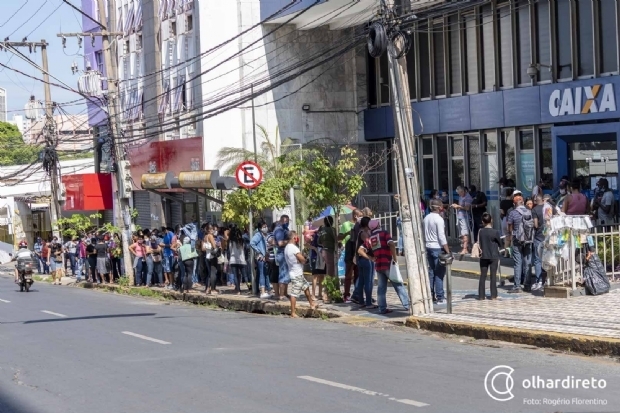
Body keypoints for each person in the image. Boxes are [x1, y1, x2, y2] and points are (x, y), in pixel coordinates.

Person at [365, 219, 409, 314]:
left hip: (378, 265)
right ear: (378, 225)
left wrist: (371, 258)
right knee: (398, 284)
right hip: (388, 262)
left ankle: (382, 308)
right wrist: (394, 257)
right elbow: (391, 244)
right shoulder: (384, 233)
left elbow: (362, 250)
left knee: (381, 288)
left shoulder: (370, 237)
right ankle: (407, 305)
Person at [424, 199, 451, 304]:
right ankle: (440, 297)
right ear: (439, 207)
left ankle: (431, 295)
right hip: (437, 248)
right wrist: (447, 250)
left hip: (428, 247)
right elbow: (441, 237)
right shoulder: (439, 219)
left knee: (432, 272)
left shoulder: (426, 218)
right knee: (439, 273)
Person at [284, 231, 317, 317]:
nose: (297, 237)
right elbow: (302, 260)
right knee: (294, 293)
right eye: (296, 236)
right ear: (293, 238)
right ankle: (293, 313)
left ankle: (311, 304)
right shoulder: (294, 248)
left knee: (306, 287)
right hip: (296, 273)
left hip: (295, 272)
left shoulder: (287, 247)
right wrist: (304, 259)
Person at [506, 190, 532, 293]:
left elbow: (509, 227)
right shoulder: (529, 211)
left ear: (514, 204)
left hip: (517, 239)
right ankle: (527, 285)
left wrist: (510, 236)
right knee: (527, 262)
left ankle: (517, 286)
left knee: (518, 262)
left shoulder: (513, 213)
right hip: (528, 239)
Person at [477, 213, 501, 300]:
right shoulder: (495, 232)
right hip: (493, 256)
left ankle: (481, 296)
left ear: (483, 222)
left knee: (482, 276)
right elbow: (500, 243)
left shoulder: (481, 231)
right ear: (491, 220)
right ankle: (493, 295)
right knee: (493, 276)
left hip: (483, 255)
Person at [355, 217, 376, 309]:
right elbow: (370, 244)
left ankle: (361, 301)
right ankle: (368, 302)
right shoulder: (364, 233)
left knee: (362, 281)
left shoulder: (360, 232)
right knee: (368, 281)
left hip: (360, 259)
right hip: (366, 258)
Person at [251, 221, 273, 299]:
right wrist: (259, 252)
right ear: (260, 228)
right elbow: (252, 243)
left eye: (266, 226)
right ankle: (263, 292)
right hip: (260, 257)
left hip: (264, 256)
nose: (265, 228)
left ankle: (266, 290)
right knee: (262, 274)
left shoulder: (263, 235)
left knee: (264, 273)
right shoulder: (258, 235)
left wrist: (266, 253)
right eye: (264, 227)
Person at [531, 194, 546, 291]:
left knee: (537, 260)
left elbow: (536, 225)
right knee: (547, 259)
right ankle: (547, 280)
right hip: (548, 236)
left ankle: (539, 281)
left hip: (538, 236)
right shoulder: (548, 208)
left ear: (536, 201)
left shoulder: (535, 210)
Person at [274, 215, 291, 301]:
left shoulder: (285, 230)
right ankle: (281, 295)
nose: (286, 223)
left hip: (286, 253)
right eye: (285, 221)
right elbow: (280, 243)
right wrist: (290, 241)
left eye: (288, 221)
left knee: (287, 274)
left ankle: (285, 293)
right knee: (283, 274)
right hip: (281, 253)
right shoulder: (279, 230)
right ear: (281, 221)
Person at [452, 186, 472, 254]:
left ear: (463, 191)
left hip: (464, 217)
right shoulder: (461, 197)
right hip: (459, 216)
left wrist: (458, 206)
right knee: (461, 234)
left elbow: (467, 208)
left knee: (465, 233)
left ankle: (465, 248)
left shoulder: (467, 197)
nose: (459, 195)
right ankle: (464, 247)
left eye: (459, 193)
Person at [228, 227, 247, 295]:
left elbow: (229, 251)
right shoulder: (242, 241)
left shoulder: (230, 242)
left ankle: (238, 290)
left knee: (236, 275)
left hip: (233, 260)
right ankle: (250, 287)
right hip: (242, 260)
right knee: (244, 275)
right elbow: (245, 250)